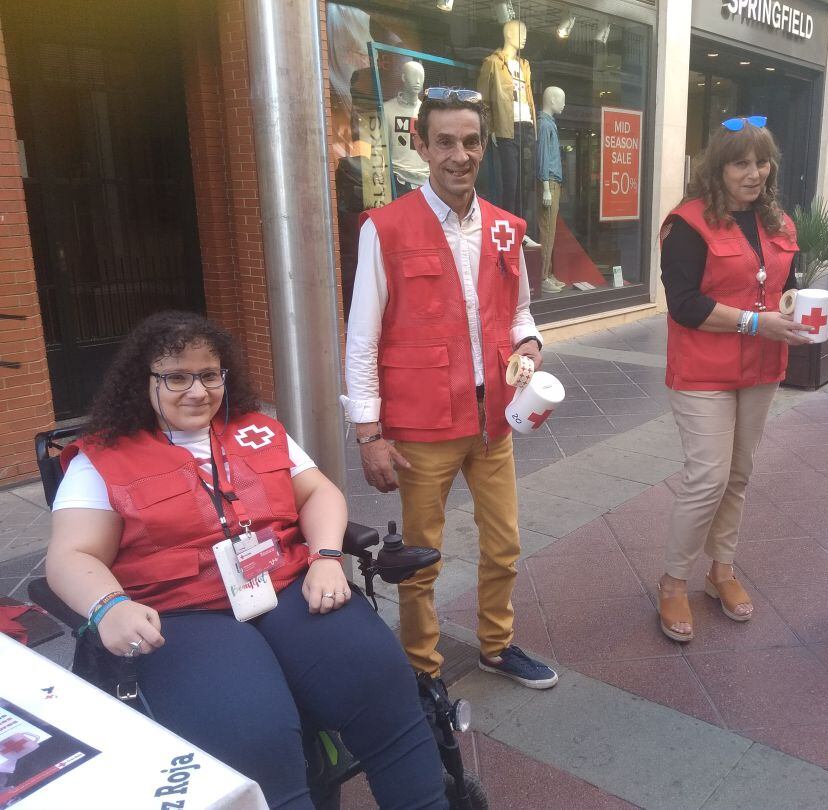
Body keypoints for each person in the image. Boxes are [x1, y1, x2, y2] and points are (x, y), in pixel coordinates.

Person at [45, 312, 448, 809]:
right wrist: (108, 606)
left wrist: (325, 557)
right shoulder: (101, 458)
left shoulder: (258, 430)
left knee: (382, 681)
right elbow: (70, 554)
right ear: (144, 381)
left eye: (210, 375)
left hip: (285, 585)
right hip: (182, 612)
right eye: (176, 377)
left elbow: (319, 492)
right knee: (251, 732)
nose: (197, 391)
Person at [343, 88, 559, 693]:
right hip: (421, 427)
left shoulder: (506, 230)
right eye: (445, 142)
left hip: (494, 421)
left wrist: (530, 345)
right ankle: (421, 668)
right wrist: (369, 433)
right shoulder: (383, 229)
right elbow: (361, 337)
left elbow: (520, 316)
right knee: (419, 559)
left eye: (469, 142)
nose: (458, 155)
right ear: (421, 144)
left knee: (506, 544)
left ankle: (497, 644)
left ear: (484, 146)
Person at [656, 116, 811, 642]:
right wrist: (754, 322)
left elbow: (792, 282)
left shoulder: (780, 223)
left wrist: (801, 315)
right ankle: (673, 579)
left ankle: (720, 569)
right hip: (703, 369)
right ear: (717, 168)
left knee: (738, 475)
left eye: (761, 162)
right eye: (740, 163)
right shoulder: (687, 222)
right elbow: (684, 305)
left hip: (762, 368)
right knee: (707, 478)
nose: (753, 173)